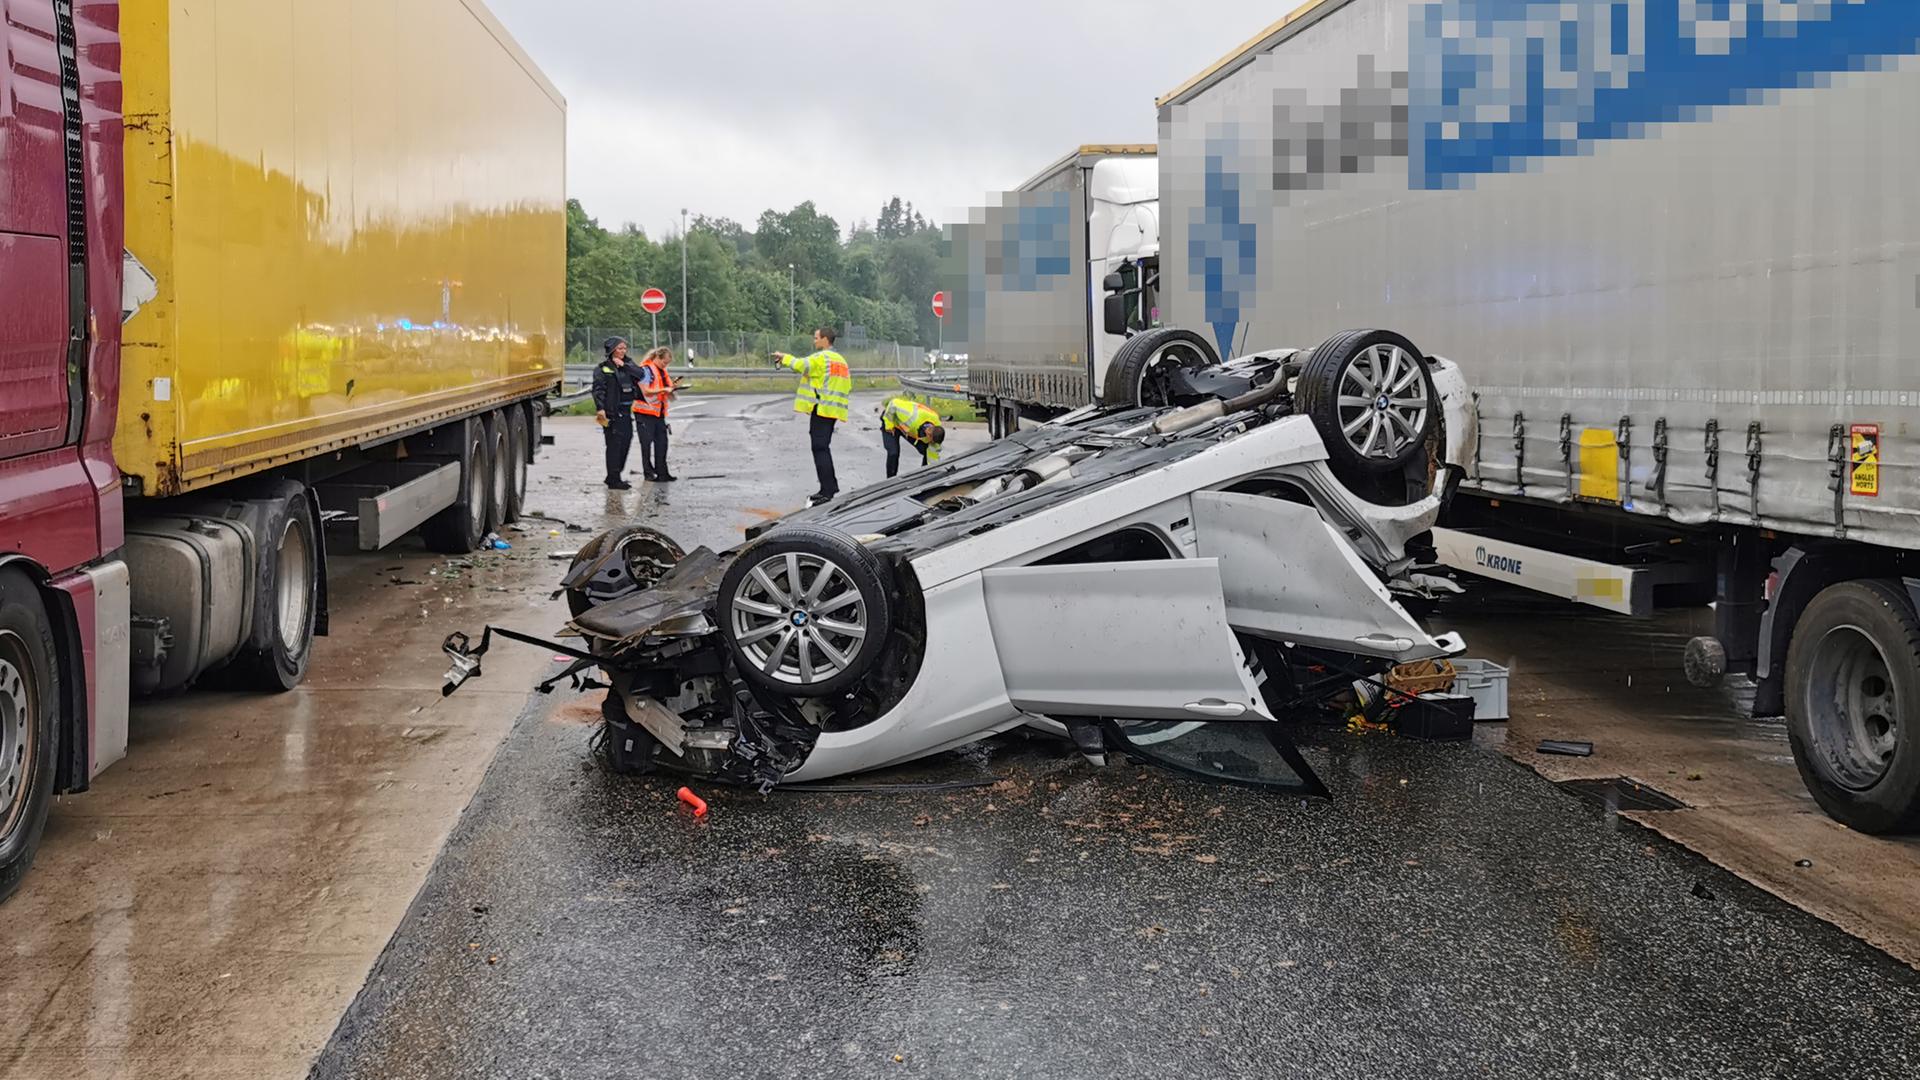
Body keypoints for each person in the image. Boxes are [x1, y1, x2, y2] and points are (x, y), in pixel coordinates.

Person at [772, 326, 852, 505]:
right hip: (833, 410)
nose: (814, 340)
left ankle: (827, 490)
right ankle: (829, 487)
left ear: (825, 339)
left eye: (816, 337)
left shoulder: (821, 358)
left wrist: (783, 358)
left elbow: (801, 365)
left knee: (820, 448)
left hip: (822, 408)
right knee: (823, 447)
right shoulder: (840, 360)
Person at [592, 337, 639, 489]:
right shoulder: (603, 368)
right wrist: (600, 408)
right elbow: (598, 390)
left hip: (626, 411)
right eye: (620, 348)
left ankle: (615, 473)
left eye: (625, 348)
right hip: (612, 412)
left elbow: (640, 374)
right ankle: (614, 478)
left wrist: (625, 366)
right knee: (614, 445)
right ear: (612, 350)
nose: (623, 351)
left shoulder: (629, 364)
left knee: (626, 441)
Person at [632, 346, 680, 481]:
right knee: (646, 444)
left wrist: (672, 388)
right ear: (657, 358)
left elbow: (664, 390)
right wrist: (664, 389)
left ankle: (662, 472)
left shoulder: (662, 371)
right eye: (664, 362)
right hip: (644, 412)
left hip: (658, 413)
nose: (666, 365)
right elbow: (646, 391)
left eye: (668, 363)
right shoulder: (646, 370)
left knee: (662, 443)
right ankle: (648, 473)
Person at [878, 396, 945, 478]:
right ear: (928, 434)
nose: (931, 443)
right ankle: (890, 480)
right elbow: (893, 403)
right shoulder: (910, 415)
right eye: (931, 441)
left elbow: (933, 456)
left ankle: (924, 477)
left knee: (926, 451)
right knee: (893, 453)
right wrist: (889, 425)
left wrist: (934, 474)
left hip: (908, 429)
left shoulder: (936, 428)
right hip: (891, 422)